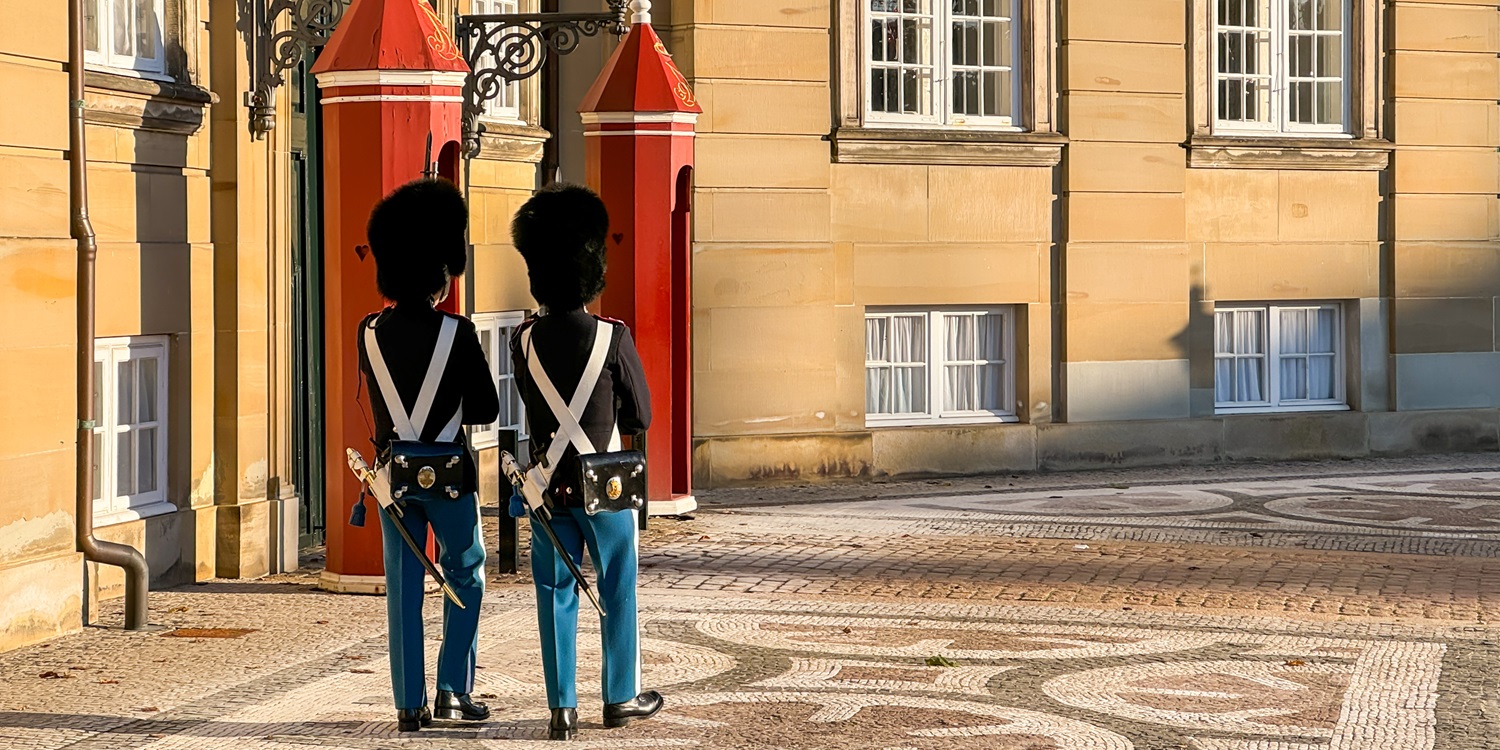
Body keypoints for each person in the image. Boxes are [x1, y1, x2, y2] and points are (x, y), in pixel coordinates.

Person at [508, 183, 662, 741]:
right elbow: (641, 414)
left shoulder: (522, 341)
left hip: (549, 485)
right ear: (589, 268)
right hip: (607, 486)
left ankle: (562, 706)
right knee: (618, 584)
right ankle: (620, 696)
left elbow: (529, 403)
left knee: (554, 591)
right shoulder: (611, 336)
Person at [356, 178, 500, 732]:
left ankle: (407, 702)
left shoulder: (369, 332)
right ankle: (452, 691)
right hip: (448, 476)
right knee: (465, 574)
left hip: (394, 477)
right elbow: (485, 408)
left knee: (403, 588)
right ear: (440, 270)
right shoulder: (457, 332)